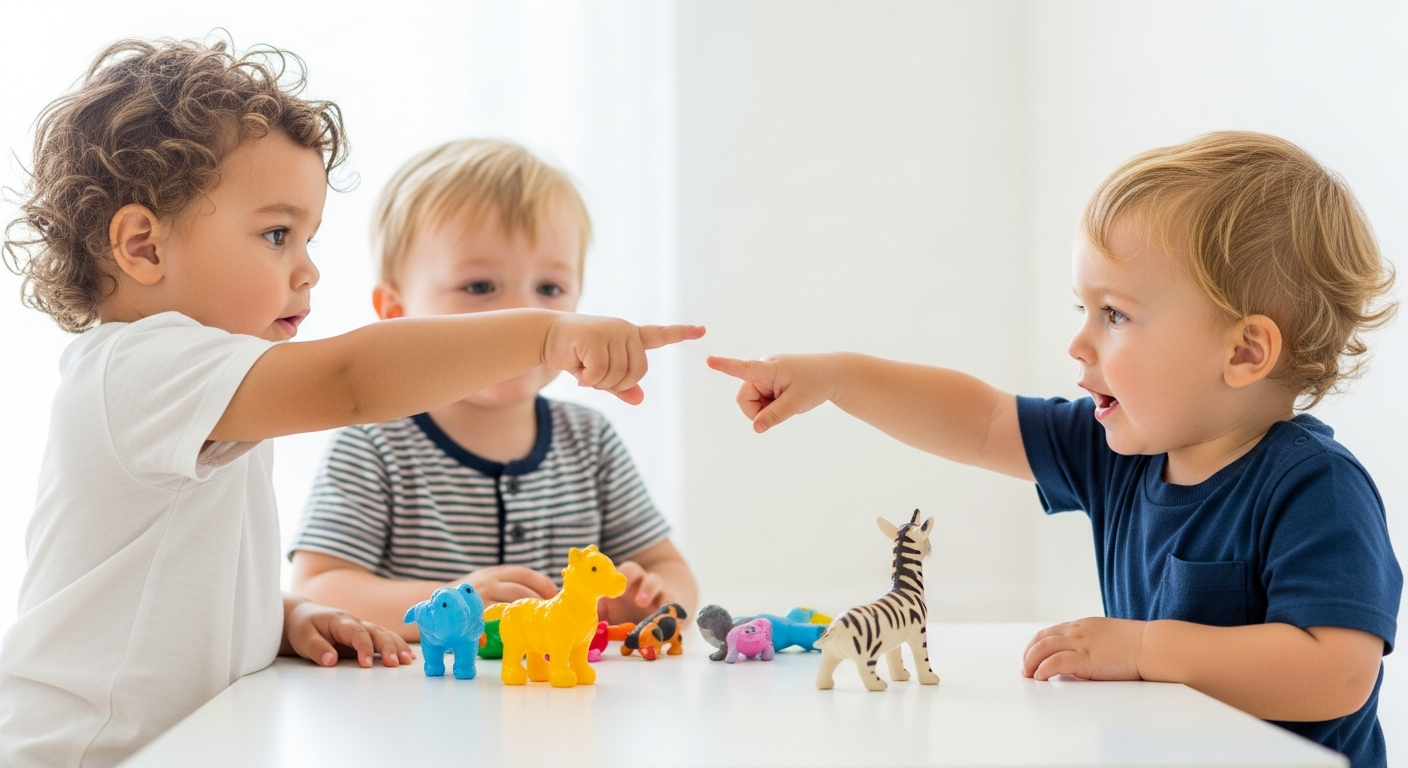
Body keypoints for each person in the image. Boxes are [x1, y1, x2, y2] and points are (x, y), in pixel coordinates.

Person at [0, 39, 700, 768]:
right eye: (277, 234)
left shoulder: (204, 390)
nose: (308, 270)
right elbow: (351, 380)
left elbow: (171, 585)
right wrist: (546, 334)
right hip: (87, 752)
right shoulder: (142, 367)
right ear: (144, 246)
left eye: (307, 238)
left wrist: (288, 615)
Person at [709, 132, 1400, 767]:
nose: (1079, 343)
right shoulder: (1120, 453)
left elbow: (1336, 674)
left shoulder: (1316, 488)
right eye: (1084, 310)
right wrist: (838, 378)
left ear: (1245, 351)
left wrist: (1142, 648)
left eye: (1115, 314)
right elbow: (981, 421)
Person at [289, 139, 697, 635]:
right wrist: (454, 602)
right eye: (479, 287)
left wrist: (651, 600)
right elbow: (317, 588)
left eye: (549, 289)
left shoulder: (589, 443)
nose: (522, 318)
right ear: (397, 313)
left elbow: (671, 571)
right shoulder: (375, 441)